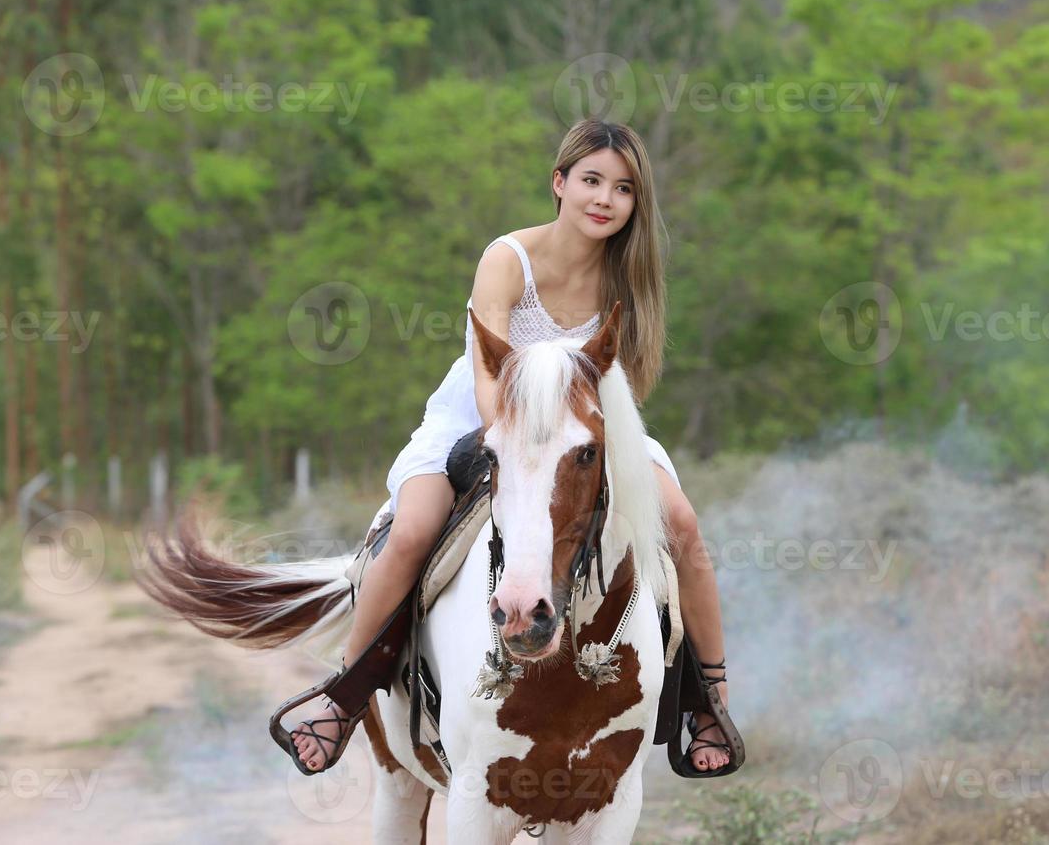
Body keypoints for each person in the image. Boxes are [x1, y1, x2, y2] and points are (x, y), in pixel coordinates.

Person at [286, 119, 737, 775]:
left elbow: (621, 391)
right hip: (480, 418)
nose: (604, 198)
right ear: (559, 183)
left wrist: (578, 447)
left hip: (585, 430)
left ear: (637, 203)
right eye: (590, 180)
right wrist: (524, 447)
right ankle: (346, 695)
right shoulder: (507, 259)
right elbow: (488, 374)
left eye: (623, 188)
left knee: (683, 525)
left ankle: (709, 698)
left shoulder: (626, 281)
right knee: (413, 530)